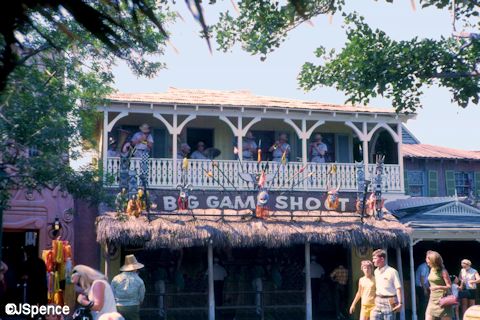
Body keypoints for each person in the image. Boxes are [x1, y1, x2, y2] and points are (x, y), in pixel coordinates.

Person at [371, 249, 402, 320]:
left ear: (382, 259)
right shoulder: (376, 271)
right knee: (373, 317)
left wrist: (400, 303)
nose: (373, 261)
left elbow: (398, 288)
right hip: (378, 299)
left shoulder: (392, 271)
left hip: (390, 300)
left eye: (375, 258)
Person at [111, 255, 145, 320]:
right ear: (135, 268)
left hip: (118, 307)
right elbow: (141, 297)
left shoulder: (116, 278)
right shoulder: (139, 280)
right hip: (133, 306)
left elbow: (112, 293)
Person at [425, 250, 453, 320]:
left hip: (443, 298)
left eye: (429, 262)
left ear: (434, 262)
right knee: (428, 317)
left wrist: (438, 287)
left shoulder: (443, 271)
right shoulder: (431, 269)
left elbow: (449, 286)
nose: (427, 263)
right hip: (433, 298)